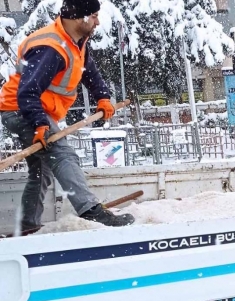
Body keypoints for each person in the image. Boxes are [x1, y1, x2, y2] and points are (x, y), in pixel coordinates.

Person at [0, 0, 135, 234]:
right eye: (93, 16)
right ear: (77, 18)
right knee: (63, 154)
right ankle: (91, 210)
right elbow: (27, 92)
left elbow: (89, 72)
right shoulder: (51, 48)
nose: (97, 21)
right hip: (22, 109)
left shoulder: (75, 42)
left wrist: (103, 98)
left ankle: (28, 225)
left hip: (29, 108)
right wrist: (40, 124)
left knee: (42, 170)